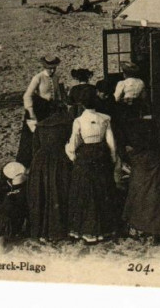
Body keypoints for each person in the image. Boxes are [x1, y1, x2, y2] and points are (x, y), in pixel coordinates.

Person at [65, 97, 119, 244]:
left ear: (82, 104)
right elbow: (111, 141)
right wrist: (113, 158)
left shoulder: (78, 121)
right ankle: (105, 230)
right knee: (103, 190)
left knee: (85, 191)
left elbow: (74, 142)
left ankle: (86, 230)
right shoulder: (105, 118)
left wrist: (71, 154)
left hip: (86, 155)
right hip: (101, 154)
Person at [122, 118, 160, 244]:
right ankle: (157, 232)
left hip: (140, 168)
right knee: (155, 198)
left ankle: (139, 230)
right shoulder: (158, 144)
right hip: (155, 167)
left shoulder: (135, 150)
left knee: (138, 197)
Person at [27, 110, 73, 242]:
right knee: (58, 193)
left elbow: (35, 148)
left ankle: (41, 231)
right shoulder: (67, 124)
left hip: (40, 161)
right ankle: (58, 231)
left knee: (42, 194)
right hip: (59, 160)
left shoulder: (40, 127)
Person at [18, 56, 63, 167]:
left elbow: (57, 93)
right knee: (33, 138)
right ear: (44, 67)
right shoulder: (38, 78)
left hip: (51, 109)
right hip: (39, 110)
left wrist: (59, 103)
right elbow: (27, 96)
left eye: (54, 68)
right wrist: (32, 113)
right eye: (50, 68)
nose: (52, 70)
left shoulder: (56, 77)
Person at [0, 162, 29, 253]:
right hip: (8, 218)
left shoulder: (8, 193)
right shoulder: (23, 194)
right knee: (4, 234)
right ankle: (1, 243)